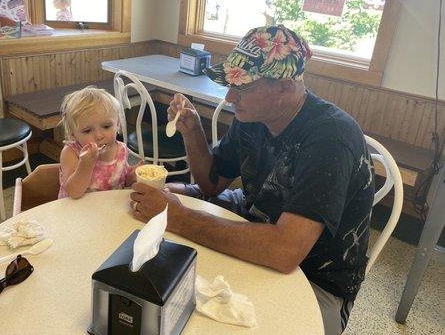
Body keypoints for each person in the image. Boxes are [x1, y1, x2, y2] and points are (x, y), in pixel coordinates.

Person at [129, 25, 375, 335]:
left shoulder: (330, 138)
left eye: (242, 88)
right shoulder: (253, 118)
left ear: (285, 87)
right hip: (256, 224)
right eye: (230, 83)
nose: (230, 97)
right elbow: (211, 184)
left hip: (317, 283)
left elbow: (284, 251)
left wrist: (178, 217)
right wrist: (192, 132)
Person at [58, 87, 138, 198]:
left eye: (106, 126)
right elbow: (74, 193)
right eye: (87, 131)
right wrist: (86, 164)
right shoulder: (71, 153)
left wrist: (131, 177)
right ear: (73, 134)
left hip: (109, 209)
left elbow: (121, 182)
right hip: (75, 211)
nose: (99, 136)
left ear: (117, 124)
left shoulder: (121, 150)